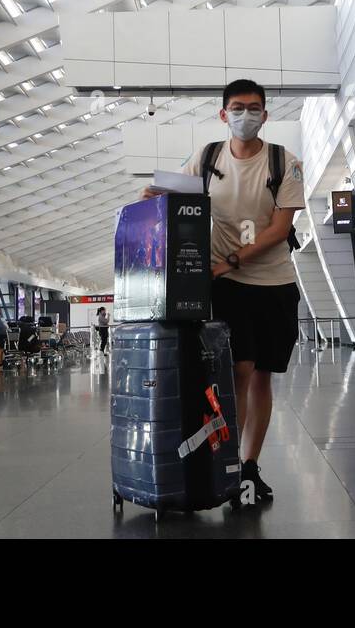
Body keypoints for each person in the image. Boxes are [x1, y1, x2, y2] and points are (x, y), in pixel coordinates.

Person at [142, 79, 305, 503]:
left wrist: (231, 259)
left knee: (264, 374)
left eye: (254, 108)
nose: (245, 115)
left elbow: (280, 229)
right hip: (228, 286)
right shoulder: (209, 156)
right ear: (223, 114)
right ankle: (229, 463)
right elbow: (176, 193)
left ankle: (249, 465)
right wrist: (150, 196)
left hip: (274, 282)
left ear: (265, 115)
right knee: (240, 370)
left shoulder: (284, 162)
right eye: (237, 107)